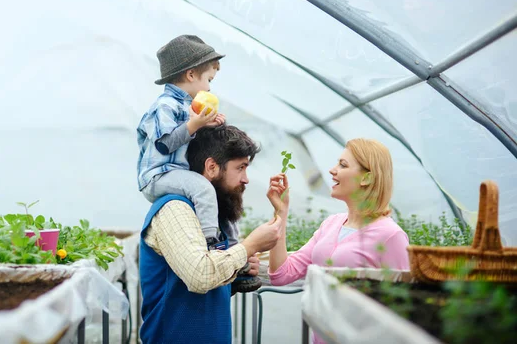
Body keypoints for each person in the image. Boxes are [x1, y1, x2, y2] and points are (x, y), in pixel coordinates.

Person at [137, 34, 261, 293]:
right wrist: (195, 123)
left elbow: (194, 140)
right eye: (208, 80)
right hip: (159, 175)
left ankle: (235, 260)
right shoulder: (165, 105)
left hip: (177, 173)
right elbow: (165, 143)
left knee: (218, 202)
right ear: (191, 74)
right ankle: (210, 244)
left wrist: (208, 124)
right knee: (204, 190)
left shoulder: (188, 105)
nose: (209, 88)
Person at [139, 125, 283, 344]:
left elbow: (207, 289)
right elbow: (200, 276)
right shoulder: (175, 209)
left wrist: (239, 269)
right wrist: (249, 247)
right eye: (240, 167)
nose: (246, 179)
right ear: (212, 166)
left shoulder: (213, 218)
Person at [267, 138, 410, 343]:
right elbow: (281, 274)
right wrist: (281, 212)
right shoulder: (331, 224)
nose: (332, 170)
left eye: (343, 165)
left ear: (367, 178)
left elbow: (402, 310)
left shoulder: (391, 236)